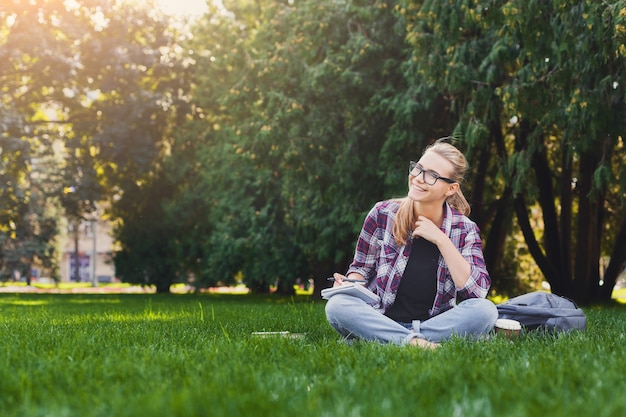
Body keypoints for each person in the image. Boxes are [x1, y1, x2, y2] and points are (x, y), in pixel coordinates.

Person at [325, 138, 497, 349]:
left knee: (486, 311)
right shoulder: (382, 213)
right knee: (337, 306)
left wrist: (442, 240)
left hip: (434, 323)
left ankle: (388, 339)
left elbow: (477, 293)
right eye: (418, 168)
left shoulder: (465, 230)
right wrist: (349, 284)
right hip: (381, 316)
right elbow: (361, 268)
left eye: (432, 175)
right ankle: (415, 343)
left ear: (451, 189)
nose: (418, 178)